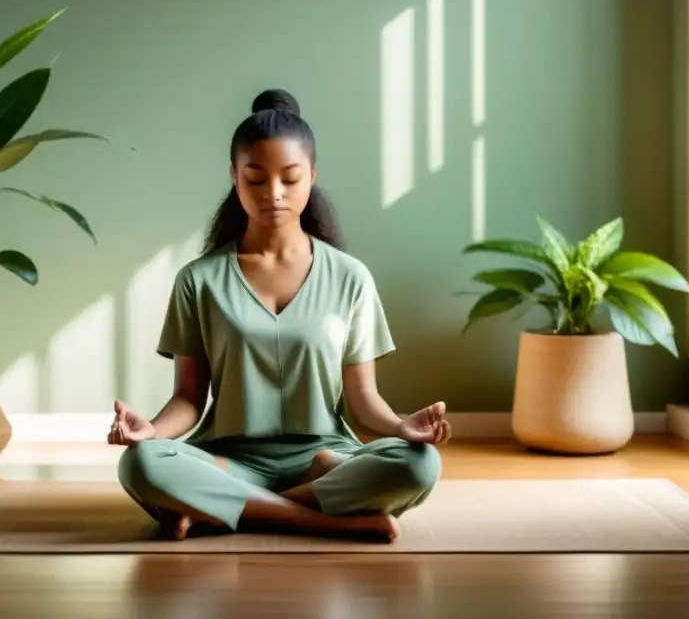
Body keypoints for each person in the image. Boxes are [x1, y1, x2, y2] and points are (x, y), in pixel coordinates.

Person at [108, 89, 451, 542]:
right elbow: (190, 398)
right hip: (228, 459)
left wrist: (400, 426)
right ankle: (321, 518)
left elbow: (363, 401)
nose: (274, 193)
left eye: (290, 179)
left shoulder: (350, 278)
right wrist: (149, 430)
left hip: (326, 458)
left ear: (312, 176)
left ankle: (220, 508)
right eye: (255, 178)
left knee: (420, 463)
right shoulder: (199, 281)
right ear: (234, 176)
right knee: (142, 463)